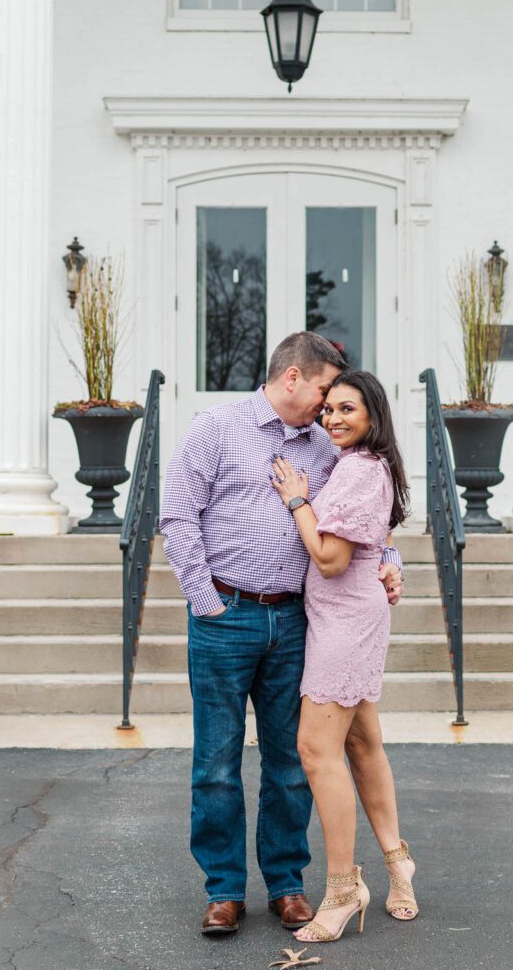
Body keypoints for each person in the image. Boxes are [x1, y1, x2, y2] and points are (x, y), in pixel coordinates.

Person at [159, 332, 404, 937]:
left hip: (298, 619)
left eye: (339, 401)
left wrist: (389, 559)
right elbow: (177, 513)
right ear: (292, 377)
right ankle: (223, 892)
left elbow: (359, 517)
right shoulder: (216, 428)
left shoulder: (327, 449)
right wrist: (205, 600)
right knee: (216, 761)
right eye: (324, 391)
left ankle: (288, 885)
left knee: (291, 762)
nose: (328, 407)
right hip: (226, 615)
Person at [270, 369, 418, 945]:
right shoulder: (361, 464)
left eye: (346, 409)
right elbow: (370, 540)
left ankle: (342, 888)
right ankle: (397, 862)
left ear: (372, 415)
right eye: (328, 408)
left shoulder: (359, 468)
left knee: (316, 748)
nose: (332, 418)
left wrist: (297, 500)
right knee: (361, 743)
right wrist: (390, 558)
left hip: (345, 619)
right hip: (341, 614)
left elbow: (330, 558)